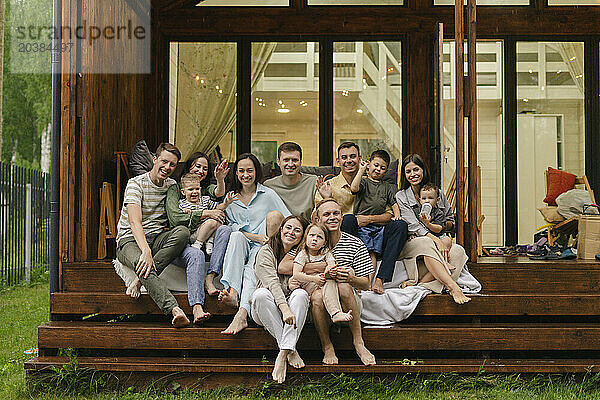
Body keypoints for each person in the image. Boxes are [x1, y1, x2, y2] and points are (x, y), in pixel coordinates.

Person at [317, 142, 408, 296]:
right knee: (349, 220)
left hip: (376, 231)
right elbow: (319, 219)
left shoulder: (381, 186)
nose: (349, 160)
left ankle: (381, 278)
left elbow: (389, 215)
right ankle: (353, 275)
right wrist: (328, 199)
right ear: (338, 161)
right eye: (344, 157)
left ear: (360, 159)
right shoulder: (328, 186)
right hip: (346, 234)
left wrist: (368, 219)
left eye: (353, 157)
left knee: (400, 225)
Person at [116, 143, 190, 327]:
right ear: (155, 160)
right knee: (142, 261)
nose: (167, 168)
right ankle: (174, 309)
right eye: (164, 161)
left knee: (182, 233)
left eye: (172, 165)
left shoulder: (171, 185)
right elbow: (135, 222)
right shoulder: (135, 184)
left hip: (157, 237)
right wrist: (145, 251)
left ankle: (138, 281)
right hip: (129, 240)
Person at [219, 153, 291, 335]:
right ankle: (233, 292)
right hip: (241, 243)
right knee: (235, 236)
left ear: (256, 172)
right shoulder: (231, 198)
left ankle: (242, 314)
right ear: (235, 174)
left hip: (264, 246)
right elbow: (228, 227)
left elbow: (287, 219)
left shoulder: (268, 194)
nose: (245, 175)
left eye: (249, 170)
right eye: (241, 171)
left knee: (253, 264)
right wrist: (253, 236)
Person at [395, 154, 470, 304]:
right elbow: (413, 226)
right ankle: (453, 287)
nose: (412, 174)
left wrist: (441, 228)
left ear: (423, 170)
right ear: (404, 175)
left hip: (437, 237)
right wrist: (436, 240)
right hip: (413, 242)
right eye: (408, 171)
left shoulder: (437, 193)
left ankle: (422, 284)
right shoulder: (401, 196)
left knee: (458, 251)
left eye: (416, 169)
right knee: (427, 243)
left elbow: (450, 219)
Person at [310, 198, 376, 366]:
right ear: (317, 219)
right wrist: (323, 267)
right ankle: (327, 346)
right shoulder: (310, 240)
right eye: (326, 214)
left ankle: (358, 342)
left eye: (336, 213)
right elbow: (288, 266)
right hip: (321, 300)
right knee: (317, 296)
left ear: (341, 216)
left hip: (349, 300)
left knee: (344, 285)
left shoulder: (355, 243)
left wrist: (351, 278)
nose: (332, 217)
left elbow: (366, 284)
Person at [251, 215, 309, 383]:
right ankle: (291, 350)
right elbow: (272, 283)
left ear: (302, 236)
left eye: (297, 230)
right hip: (265, 309)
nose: (291, 232)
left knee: (301, 295)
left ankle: (284, 352)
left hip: (293, 309)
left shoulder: (302, 255)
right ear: (281, 229)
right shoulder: (266, 251)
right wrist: (284, 308)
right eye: (288, 227)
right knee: (260, 294)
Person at [166, 152, 232, 297]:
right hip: (185, 238)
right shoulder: (176, 189)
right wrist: (207, 213)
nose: (201, 171)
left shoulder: (204, 191)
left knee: (225, 229)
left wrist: (220, 180)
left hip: (207, 233)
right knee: (196, 252)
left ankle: (210, 277)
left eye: (205, 168)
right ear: (189, 166)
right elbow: (176, 218)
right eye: (197, 166)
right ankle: (197, 305)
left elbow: (218, 193)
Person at [350, 150, 401, 289]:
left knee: (373, 252)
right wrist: (361, 170)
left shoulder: (387, 187)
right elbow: (354, 188)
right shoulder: (364, 182)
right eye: (375, 165)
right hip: (362, 226)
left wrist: (397, 216)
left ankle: (371, 283)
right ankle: (367, 282)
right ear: (369, 164)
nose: (378, 169)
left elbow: (394, 203)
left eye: (382, 168)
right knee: (367, 252)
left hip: (379, 227)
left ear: (386, 171)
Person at [290, 223, 354, 323]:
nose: (314, 239)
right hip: (308, 284)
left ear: (324, 243)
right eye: (311, 235)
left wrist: (330, 271)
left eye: (319, 237)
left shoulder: (326, 252)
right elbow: (296, 274)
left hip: (322, 280)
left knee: (336, 277)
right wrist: (314, 279)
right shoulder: (303, 254)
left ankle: (336, 314)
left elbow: (331, 264)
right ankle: (335, 313)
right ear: (306, 238)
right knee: (328, 282)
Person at [177, 173, 236, 252]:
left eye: (197, 189)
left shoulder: (205, 200)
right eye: (191, 189)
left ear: (200, 189)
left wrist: (226, 203)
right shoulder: (183, 203)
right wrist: (186, 211)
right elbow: (181, 217)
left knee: (219, 217)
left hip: (209, 230)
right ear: (183, 192)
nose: (194, 192)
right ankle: (198, 243)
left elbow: (218, 207)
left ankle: (210, 241)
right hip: (195, 233)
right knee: (211, 221)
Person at [264, 142, 320, 223]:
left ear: (301, 162)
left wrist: (326, 197)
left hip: (307, 230)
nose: (290, 164)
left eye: (294, 160)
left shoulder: (313, 182)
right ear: (278, 162)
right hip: (281, 231)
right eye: (286, 160)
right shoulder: (269, 185)